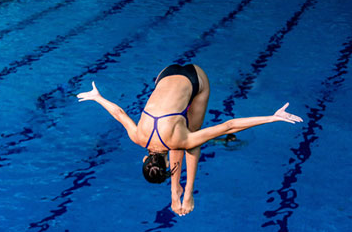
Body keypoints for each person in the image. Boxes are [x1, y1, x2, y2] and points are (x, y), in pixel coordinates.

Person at [77, 64, 302, 216]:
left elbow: (228, 127)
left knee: (192, 138)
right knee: (185, 139)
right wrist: (97, 97)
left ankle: (185, 191)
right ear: (144, 159)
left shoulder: (181, 141)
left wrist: (273, 118)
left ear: (166, 165)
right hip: (165, 73)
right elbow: (119, 114)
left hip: (196, 79)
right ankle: (177, 191)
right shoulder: (137, 137)